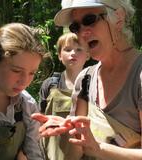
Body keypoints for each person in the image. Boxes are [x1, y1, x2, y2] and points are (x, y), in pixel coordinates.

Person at [32, 0, 142, 160]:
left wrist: (99, 148)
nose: (82, 33)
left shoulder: (138, 75)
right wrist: (71, 130)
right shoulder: (85, 78)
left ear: (118, 17)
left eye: (89, 20)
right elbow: (77, 152)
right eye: (75, 27)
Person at [0, 22, 47, 160]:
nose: (24, 81)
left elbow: (34, 153)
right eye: (17, 71)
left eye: (32, 73)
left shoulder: (27, 105)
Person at [39, 32, 89, 160]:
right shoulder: (49, 84)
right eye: (67, 49)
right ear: (60, 55)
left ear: (88, 55)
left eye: (79, 49)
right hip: (53, 153)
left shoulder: (95, 85)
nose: (73, 53)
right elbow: (39, 120)